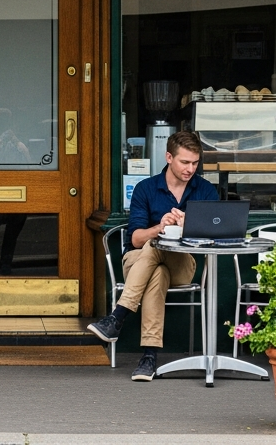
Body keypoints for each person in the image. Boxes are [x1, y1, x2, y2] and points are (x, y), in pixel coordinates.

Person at [86, 130, 219, 381]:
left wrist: (189, 225)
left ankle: (118, 317)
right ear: (169, 157)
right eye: (185, 162)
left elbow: (214, 237)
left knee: (158, 250)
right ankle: (148, 356)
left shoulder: (205, 191)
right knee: (157, 264)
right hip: (138, 261)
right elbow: (136, 240)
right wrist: (160, 228)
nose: (190, 169)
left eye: (195, 163)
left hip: (182, 264)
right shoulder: (146, 188)